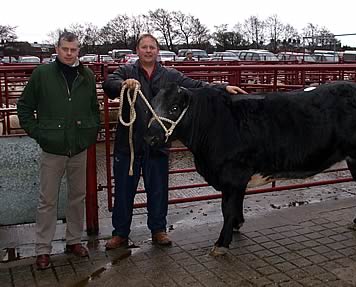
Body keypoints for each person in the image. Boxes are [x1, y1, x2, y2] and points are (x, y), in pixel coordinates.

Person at [102, 33, 246, 249]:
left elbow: (196, 85)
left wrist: (222, 88)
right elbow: (109, 84)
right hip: (129, 144)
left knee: (158, 189)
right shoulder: (126, 72)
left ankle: (158, 230)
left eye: (152, 47)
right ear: (137, 50)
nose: (148, 50)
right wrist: (124, 84)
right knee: (124, 191)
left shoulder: (170, 75)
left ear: (157, 51)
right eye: (144, 47)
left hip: (158, 143)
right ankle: (120, 233)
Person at [17, 32, 100, 270]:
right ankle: (43, 249)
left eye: (73, 50)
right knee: (47, 200)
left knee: (78, 196)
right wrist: (39, 133)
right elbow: (24, 107)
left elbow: (94, 108)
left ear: (78, 50)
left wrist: (90, 131)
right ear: (57, 48)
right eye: (65, 49)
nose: (69, 53)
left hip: (79, 146)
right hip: (53, 148)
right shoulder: (42, 74)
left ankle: (73, 240)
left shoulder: (87, 75)